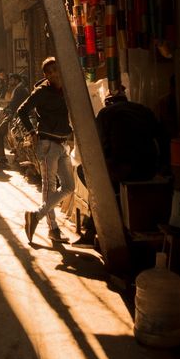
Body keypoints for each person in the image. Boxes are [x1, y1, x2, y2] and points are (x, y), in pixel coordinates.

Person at [74, 91, 165, 247]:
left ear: (108, 102)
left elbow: (98, 146)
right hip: (149, 168)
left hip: (122, 168)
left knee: (89, 176)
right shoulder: (143, 109)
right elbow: (160, 136)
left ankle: (91, 232)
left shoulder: (105, 113)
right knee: (104, 183)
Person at [18, 58, 74, 244]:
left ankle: (36, 216)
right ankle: (53, 230)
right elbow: (22, 110)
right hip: (47, 144)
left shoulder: (66, 88)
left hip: (63, 142)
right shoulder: (41, 92)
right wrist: (32, 131)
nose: (52, 74)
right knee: (49, 187)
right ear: (45, 75)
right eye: (48, 72)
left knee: (69, 187)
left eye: (55, 70)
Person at [0, 73, 30, 164]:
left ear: (16, 80)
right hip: (15, 115)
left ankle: (2, 157)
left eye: (11, 80)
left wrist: (8, 110)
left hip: (16, 116)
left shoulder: (20, 89)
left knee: (0, 132)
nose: (10, 82)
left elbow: (15, 104)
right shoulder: (18, 88)